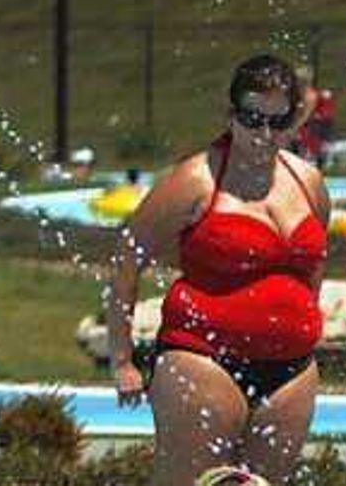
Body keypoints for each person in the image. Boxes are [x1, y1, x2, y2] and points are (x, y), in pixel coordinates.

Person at [108, 53, 332, 483]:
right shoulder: (195, 181)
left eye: (277, 121)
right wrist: (122, 360)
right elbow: (126, 261)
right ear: (231, 115)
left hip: (292, 371)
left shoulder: (310, 184)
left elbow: (312, 264)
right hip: (203, 359)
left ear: (292, 121)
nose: (264, 134)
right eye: (252, 119)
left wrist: (306, 320)